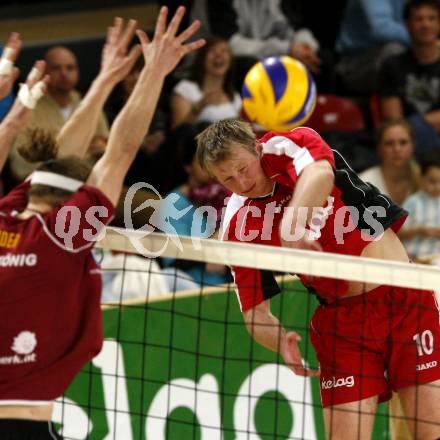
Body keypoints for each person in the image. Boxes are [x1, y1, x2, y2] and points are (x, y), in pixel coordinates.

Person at [0, 8, 203, 439]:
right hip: (24, 426)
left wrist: (103, 81)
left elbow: (59, 161)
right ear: (73, 203)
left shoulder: (6, 215)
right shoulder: (64, 236)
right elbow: (121, 151)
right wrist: (154, 72)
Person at [196, 119, 440, 439]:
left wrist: (291, 226)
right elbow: (255, 311)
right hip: (343, 324)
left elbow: (321, 173)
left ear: (257, 149)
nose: (241, 182)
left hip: (404, 299)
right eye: (227, 178)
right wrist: (280, 341)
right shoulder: (237, 227)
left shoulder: (288, 145)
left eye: (244, 168)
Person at [8, 45, 110, 182]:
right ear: (45, 73)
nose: (64, 73)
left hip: (94, 184)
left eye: (70, 68)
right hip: (46, 190)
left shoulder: (89, 103)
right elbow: (21, 164)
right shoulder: (28, 108)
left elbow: (108, 149)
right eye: (56, 68)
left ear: (78, 72)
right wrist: (86, 151)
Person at [378, 0, 440, 155]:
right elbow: (395, 123)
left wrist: (418, 122)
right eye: (418, 19)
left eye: (432, 18)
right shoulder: (392, 65)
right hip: (411, 144)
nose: (425, 24)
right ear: (407, 25)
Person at [335, 0, 410, 96]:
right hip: (355, 64)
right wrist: (427, 38)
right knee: (395, 52)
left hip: (397, 55)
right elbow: (381, 29)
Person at [170, 36, 241, 130]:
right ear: (202, 58)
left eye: (224, 51)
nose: (218, 55)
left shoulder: (235, 97)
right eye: (212, 50)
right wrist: (199, 107)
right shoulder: (185, 89)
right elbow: (177, 132)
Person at [359, 118, 421, 205]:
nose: (397, 149)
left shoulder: (427, 179)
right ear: (379, 148)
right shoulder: (364, 183)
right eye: (389, 143)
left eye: (403, 142)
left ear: (413, 145)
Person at [399, 150, 440, 258]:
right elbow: (399, 231)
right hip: (412, 256)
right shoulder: (413, 202)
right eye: (432, 181)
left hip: (436, 259)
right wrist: (418, 231)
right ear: (422, 178)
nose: (437, 187)